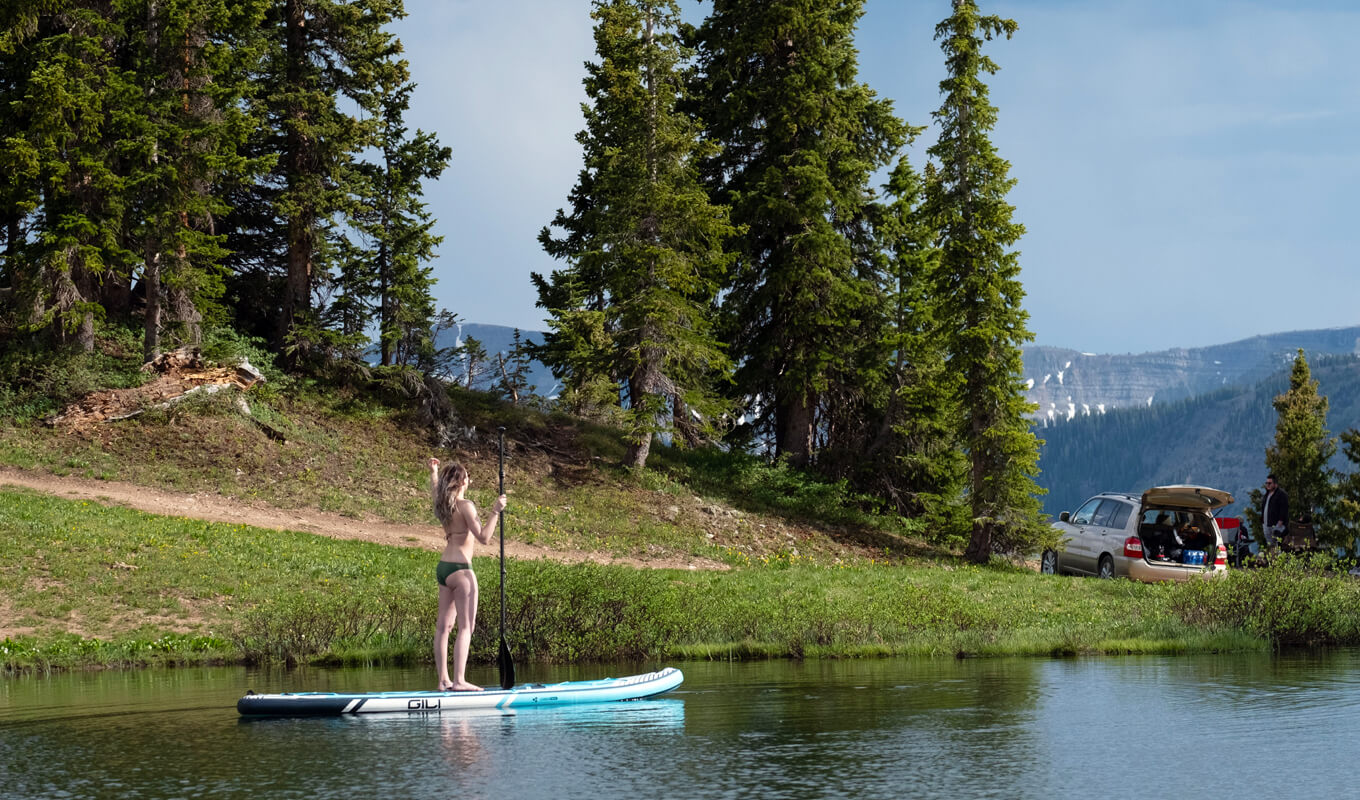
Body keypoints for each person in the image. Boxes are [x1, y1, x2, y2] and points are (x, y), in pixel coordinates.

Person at [429, 456, 507, 692]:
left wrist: (433, 471)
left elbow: (435, 488)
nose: (469, 480)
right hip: (462, 570)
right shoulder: (465, 506)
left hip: (443, 569)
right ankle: (459, 680)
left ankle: (443, 680)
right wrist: (495, 511)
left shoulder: (442, 504)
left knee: (444, 627)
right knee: (466, 627)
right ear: (461, 481)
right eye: (467, 477)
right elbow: (483, 537)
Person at [1261, 474, 1289, 550]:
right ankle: (1272, 559)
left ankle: (1278, 559)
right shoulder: (1267, 495)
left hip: (1276, 524)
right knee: (1270, 546)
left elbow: (1284, 508)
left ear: (1275, 484)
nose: (1267, 485)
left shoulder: (1281, 495)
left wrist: (1280, 521)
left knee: (1278, 543)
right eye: (1266, 483)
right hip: (1267, 524)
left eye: (1269, 483)